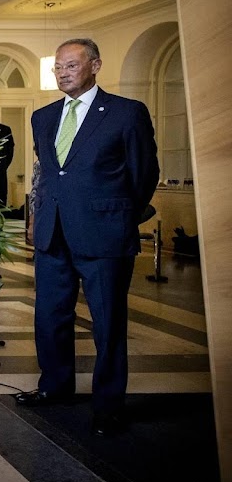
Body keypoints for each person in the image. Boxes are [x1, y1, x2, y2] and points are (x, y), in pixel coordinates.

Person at [17, 39, 158, 437]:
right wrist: (36, 218)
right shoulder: (43, 117)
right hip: (53, 234)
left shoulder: (126, 113)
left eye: (71, 65)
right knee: (50, 318)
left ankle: (108, 404)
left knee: (107, 324)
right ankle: (55, 388)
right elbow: (47, 173)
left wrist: (117, 216)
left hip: (105, 236)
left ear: (95, 65)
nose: (62, 72)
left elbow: (144, 173)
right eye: (57, 67)